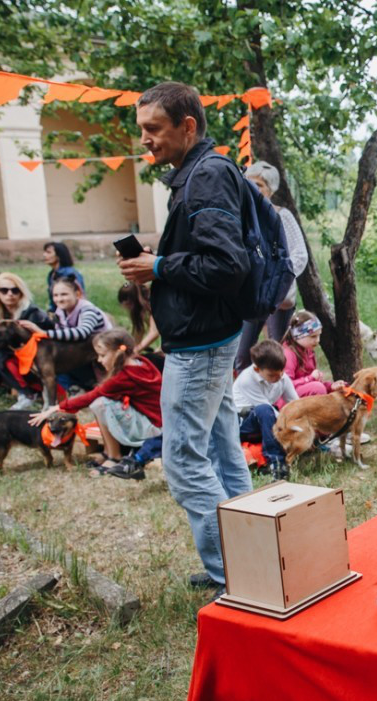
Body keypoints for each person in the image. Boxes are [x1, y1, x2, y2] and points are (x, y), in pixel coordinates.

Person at [117, 81, 254, 598]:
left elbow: (226, 266)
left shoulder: (207, 178)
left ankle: (234, 574)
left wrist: (157, 266)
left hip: (199, 347)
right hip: (209, 339)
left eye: (154, 129)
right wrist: (162, 262)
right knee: (222, 451)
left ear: (187, 126)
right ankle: (252, 554)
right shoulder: (196, 175)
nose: (146, 140)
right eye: (143, 130)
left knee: (182, 462)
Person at [31, 328, 163, 478]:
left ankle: (114, 456)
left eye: (102, 355)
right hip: (159, 422)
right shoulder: (141, 362)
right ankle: (108, 452)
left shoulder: (123, 377)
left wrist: (54, 408)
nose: (99, 360)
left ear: (118, 353)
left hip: (154, 428)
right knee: (104, 401)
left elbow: (92, 396)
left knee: (100, 402)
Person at [233, 160, 309, 372]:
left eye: (259, 185)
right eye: (250, 183)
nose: (253, 189)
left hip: (278, 295)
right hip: (251, 293)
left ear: (270, 189)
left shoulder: (282, 216)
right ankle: (245, 401)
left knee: (276, 352)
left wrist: (279, 277)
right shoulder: (242, 215)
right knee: (242, 353)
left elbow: (300, 255)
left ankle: (276, 400)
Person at [0, 272, 55, 410]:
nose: (10, 294)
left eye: (15, 290)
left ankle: (28, 395)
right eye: (4, 290)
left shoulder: (32, 312)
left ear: (21, 293)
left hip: (39, 355)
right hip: (16, 351)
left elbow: (33, 341)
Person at [18, 275, 111, 392]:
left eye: (64, 294)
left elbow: (82, 333)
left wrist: (44, 333)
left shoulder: (87, 310)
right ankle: (74, 387)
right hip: (83, 350)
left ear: (77, 294)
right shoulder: (61, 311)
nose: (59, 299)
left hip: (102, 350)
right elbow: (60, 335)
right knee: (54, 360)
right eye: (55, 295)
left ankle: (94, 386)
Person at [233, 339, 297, 480]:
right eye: (272, 375)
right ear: (257, 369)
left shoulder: (282, 378)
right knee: (265, 410)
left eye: (281, 371)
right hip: (241, 424)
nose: (279, 376)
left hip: (264, 420)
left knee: (271, 411)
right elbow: (268, 411)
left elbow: (296, 404)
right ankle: (277, 463)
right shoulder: (246, 380)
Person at [281, 311, 344, 398]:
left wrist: (330, 386)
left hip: (299, 395)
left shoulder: (308, 351)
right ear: (298, 335)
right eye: (313, 336)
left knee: (322, 388)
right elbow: (284, 385)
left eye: (319, 335)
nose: (318, 340)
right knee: (318, 388)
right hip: (286, 400)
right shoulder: (288, 354)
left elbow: (312, 382)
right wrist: (310, 378)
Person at [42, 242, 85, 312]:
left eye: (48, 252)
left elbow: (80, 297)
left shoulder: (70, 274)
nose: (44, 255)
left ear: (59, 255)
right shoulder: (51, 274)